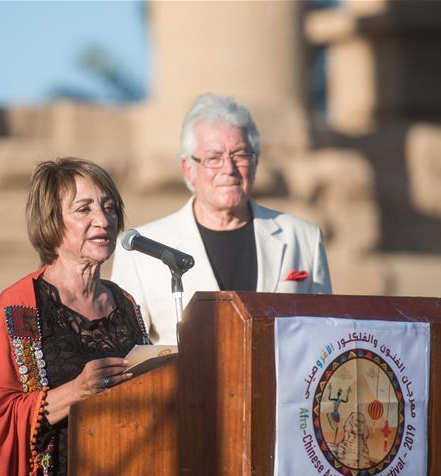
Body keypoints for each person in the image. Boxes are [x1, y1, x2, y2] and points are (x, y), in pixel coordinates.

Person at [0, 158, 150, 476]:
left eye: (109, 206)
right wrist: (76, 391)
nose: (102, 219)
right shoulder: (19, 308)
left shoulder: (127, 304)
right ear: (52, 222)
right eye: (83, 209)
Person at [111, 93, 332, 344]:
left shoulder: (304, 238)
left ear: (256, 162)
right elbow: (127, 350)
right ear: (188, 169)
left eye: (240, 155)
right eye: (214, 158)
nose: (229, 169)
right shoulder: (141, 249)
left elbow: (322, 338)